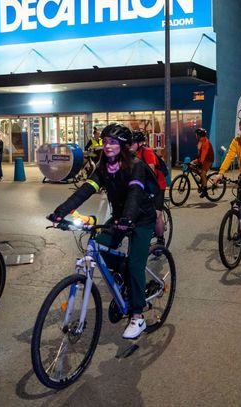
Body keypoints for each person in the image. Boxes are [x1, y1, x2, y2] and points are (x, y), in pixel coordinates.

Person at [51, 124, 157, 340]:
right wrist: (61, 211)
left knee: (136, 265)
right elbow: (85, 190)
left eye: (113, 142)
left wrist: (128, 218)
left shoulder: (135, 165)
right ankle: (125, 272)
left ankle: (138, 316)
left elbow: (135, 193)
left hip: (140, 219)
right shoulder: (103, 167)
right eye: (106, 141)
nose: (108, 146)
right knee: (99, 247)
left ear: (123, 146)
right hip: (119, 218)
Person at [130, 130, 167, 246]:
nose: (130, 145)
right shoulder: (131, 154)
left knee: (156, 215)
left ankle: (160, 240)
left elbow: (151, 172)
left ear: (140, 143)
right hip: (142, 186)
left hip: (157, 185)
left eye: (132, 143)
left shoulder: (147, 152)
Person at [191, 128, 214, 198]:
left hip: (208, 159)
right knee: (191, 165)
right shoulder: (200, 141)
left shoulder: (205, 142)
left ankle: (205, 190)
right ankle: (202, 180)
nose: (196, 136)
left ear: (199, 135)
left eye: (196, 134)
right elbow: (199, 152)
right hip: (202, 158)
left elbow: (204, 154)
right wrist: (196, 160)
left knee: (203, 174)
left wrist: (199, 162)